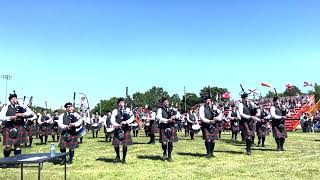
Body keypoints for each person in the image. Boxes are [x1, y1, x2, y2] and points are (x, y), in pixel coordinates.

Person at [0, 93, 32, 159]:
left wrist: (22, 115)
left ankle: (16, 161)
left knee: (18, 145)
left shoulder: (22, 106)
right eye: (12, 99)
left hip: (19, 127)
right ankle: (6, 159)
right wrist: (10, 118)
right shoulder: (6, 107)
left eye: (15, 98)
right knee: (8, 146)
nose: (14, 100)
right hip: (9, 127)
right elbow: (1, 117)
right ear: (10, 100)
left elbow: (30, 113)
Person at [111, 98, 134, 163]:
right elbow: (112, 120)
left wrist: (126, 122)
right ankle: (118, 156)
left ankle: (124, 158)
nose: (121, 104)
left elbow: (132, 118)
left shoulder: (128, 110)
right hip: (118, 128)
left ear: (124, 104)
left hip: (126, 129)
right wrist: (117, 125)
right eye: (120, 102)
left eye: (122, 102)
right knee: (116, 144)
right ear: (118, 104)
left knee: (125, 145)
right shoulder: (115, 111)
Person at [157, 97, 181, 162]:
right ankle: (164, 152)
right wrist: (167, 120)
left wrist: (174, 116)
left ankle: (169, 156)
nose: (167, 103)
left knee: (170, 142)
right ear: (162, 103)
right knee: (164, 142)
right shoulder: (160, 109)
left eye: (167, 102)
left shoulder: (172, 108)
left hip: (171, 126)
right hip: (164, 126)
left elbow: (178, 114)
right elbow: (159, 117)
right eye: (165, 102)